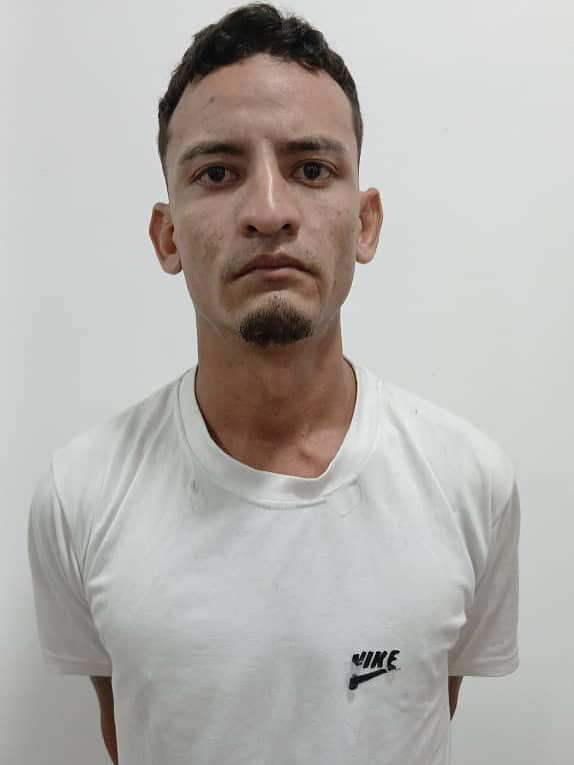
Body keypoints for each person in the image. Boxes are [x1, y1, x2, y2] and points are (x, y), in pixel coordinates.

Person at [27, 3, 520, 764]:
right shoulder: (81, 494)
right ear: (167, 236)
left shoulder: (469, 482)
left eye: (311, 169)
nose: (268, 211)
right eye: (218, 172)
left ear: (365, 223)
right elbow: (132, 725)